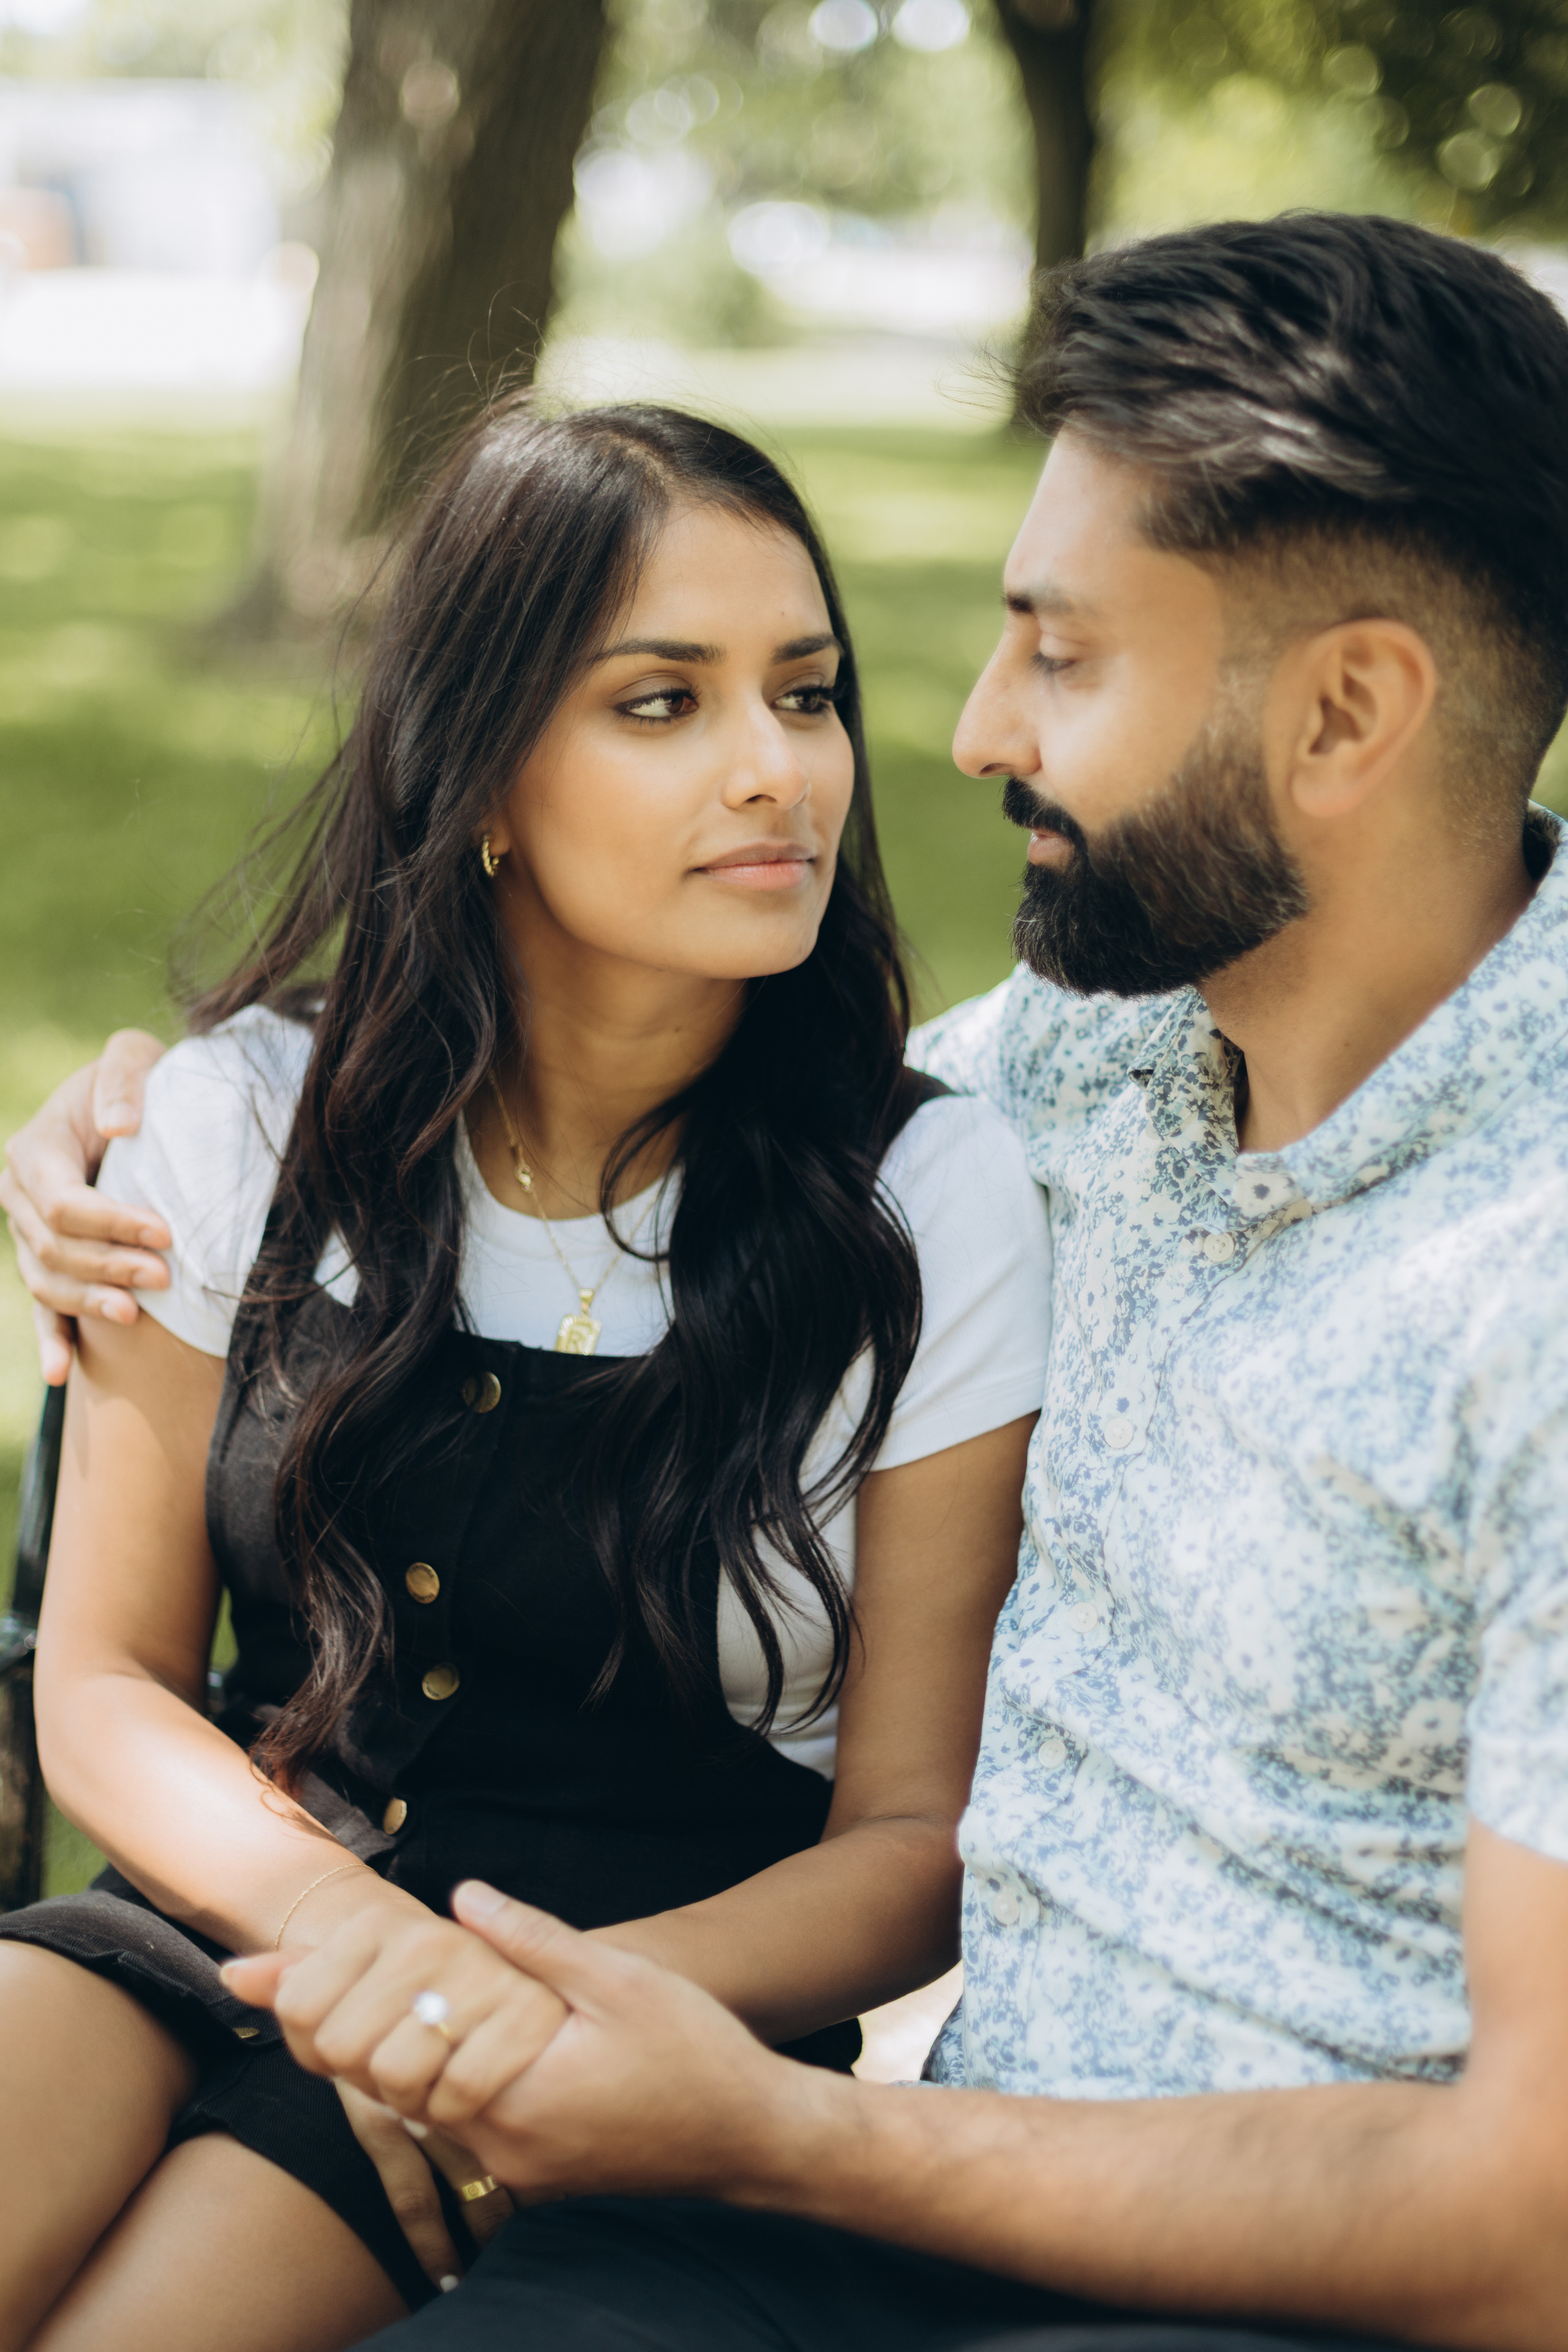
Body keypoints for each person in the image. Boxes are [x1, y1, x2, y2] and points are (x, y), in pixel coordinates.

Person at [28, 207, 1568, 2352]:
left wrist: (669, 2075)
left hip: (1208, 2246)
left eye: (1063, 650)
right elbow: (650, 1114)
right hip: (803, 2176)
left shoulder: (1526, 1278)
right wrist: (143, 1128)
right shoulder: (1089, 1065)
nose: (959, 734)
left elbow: (1535, 2220)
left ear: (1349, 714)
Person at [0, 400, 1049, 2352]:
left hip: (632, 2010)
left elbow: (915, 1844)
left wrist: (493, 2017)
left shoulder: (926, 1195)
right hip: (242, 1899)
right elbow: (108, 1685)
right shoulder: (240, 1120)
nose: (778, 771)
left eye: (805, 695)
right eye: (664, 704)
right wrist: (355, 1946)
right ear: (480, 773)